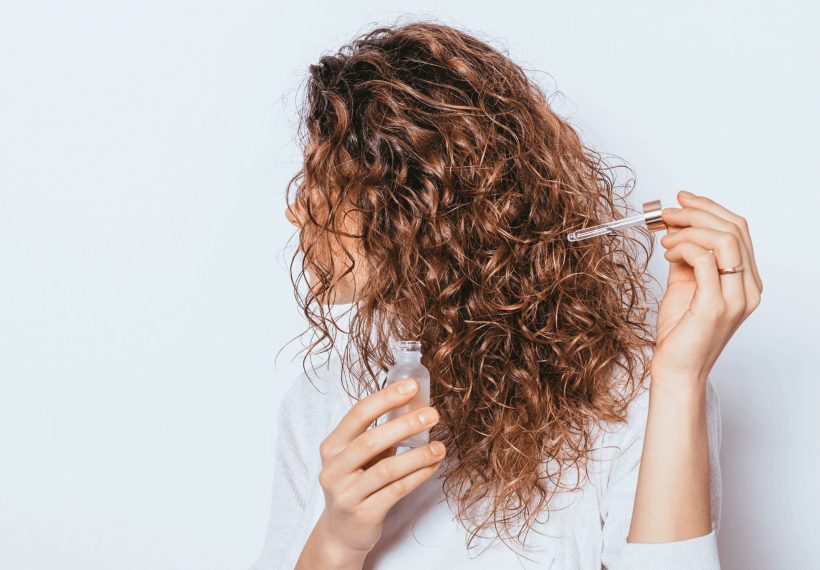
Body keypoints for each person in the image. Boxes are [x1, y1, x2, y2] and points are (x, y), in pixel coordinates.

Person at [251, 20, 763, 570]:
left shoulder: (642, 392)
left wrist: (681, 381)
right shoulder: (321, 400)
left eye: (325, 182)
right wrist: (336, 540)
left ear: (417, 211)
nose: (296, 209)